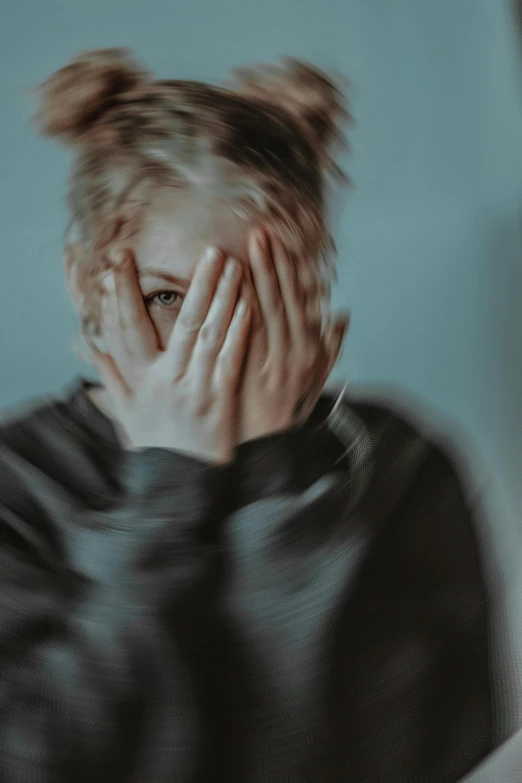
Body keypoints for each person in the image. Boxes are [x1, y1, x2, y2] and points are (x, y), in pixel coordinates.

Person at [0, 48, 509, 782]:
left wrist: (274, 467)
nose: (220, 346)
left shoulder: (402, 466)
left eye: (256, 298)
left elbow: (415, 760)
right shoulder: (18, 485)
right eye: (170, 298)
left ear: (310, 289)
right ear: (86, 281)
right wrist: (168, 484)